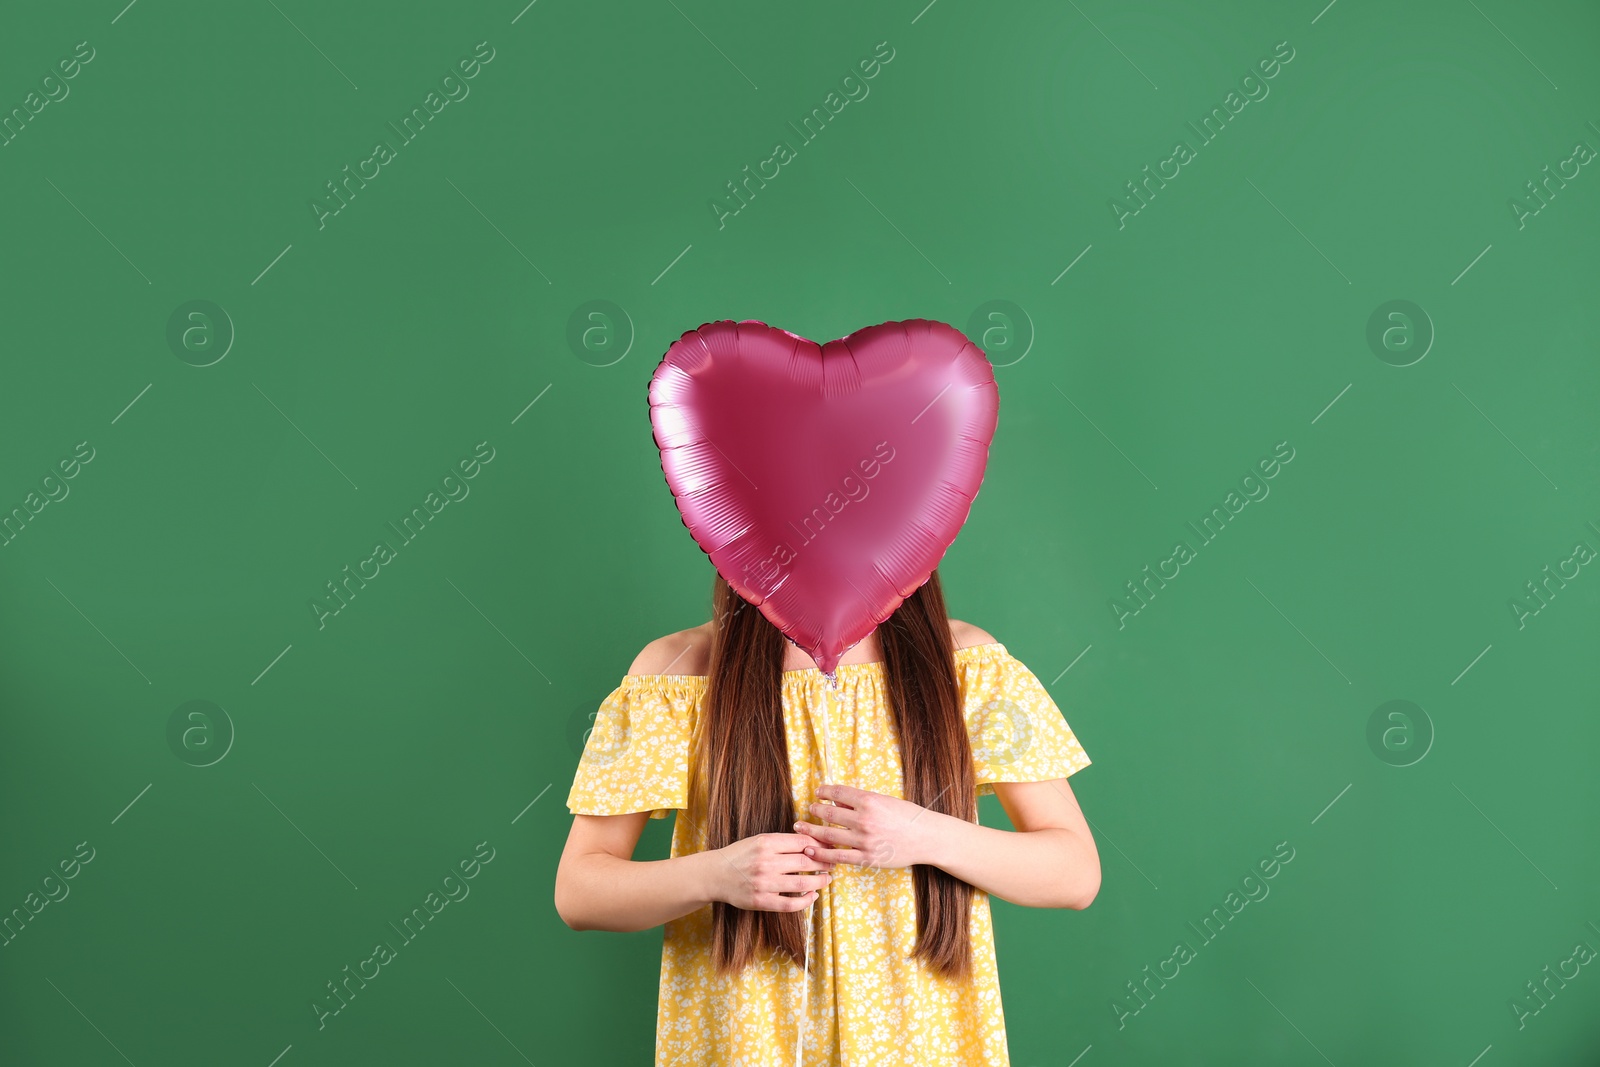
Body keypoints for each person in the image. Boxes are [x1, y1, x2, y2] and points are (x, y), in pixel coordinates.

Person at [554, 568, 1100, 1066]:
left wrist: (926, 834)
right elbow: (580, 891)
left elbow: (1074, 873)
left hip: (923, 1043)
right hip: (746, 1044)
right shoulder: (677, 671)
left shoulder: (968, 664)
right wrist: (716, 875)